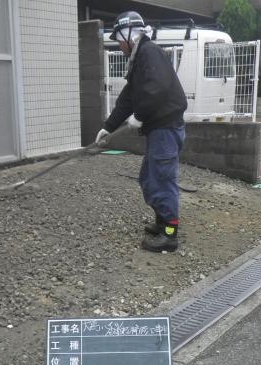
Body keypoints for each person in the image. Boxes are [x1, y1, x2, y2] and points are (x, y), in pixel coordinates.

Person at [96, 11, 188, 253]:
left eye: (119, 39)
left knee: (162, 180)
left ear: (129, 34)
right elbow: (128, 97)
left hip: (166, 129)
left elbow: (158, 87)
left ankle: (170, 236)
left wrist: (140, 115)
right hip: (158, 130)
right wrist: (108, 126)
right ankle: (162, 222)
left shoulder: (149, 52)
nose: (119, 45)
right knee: (149, 178)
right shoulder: (139, 59)